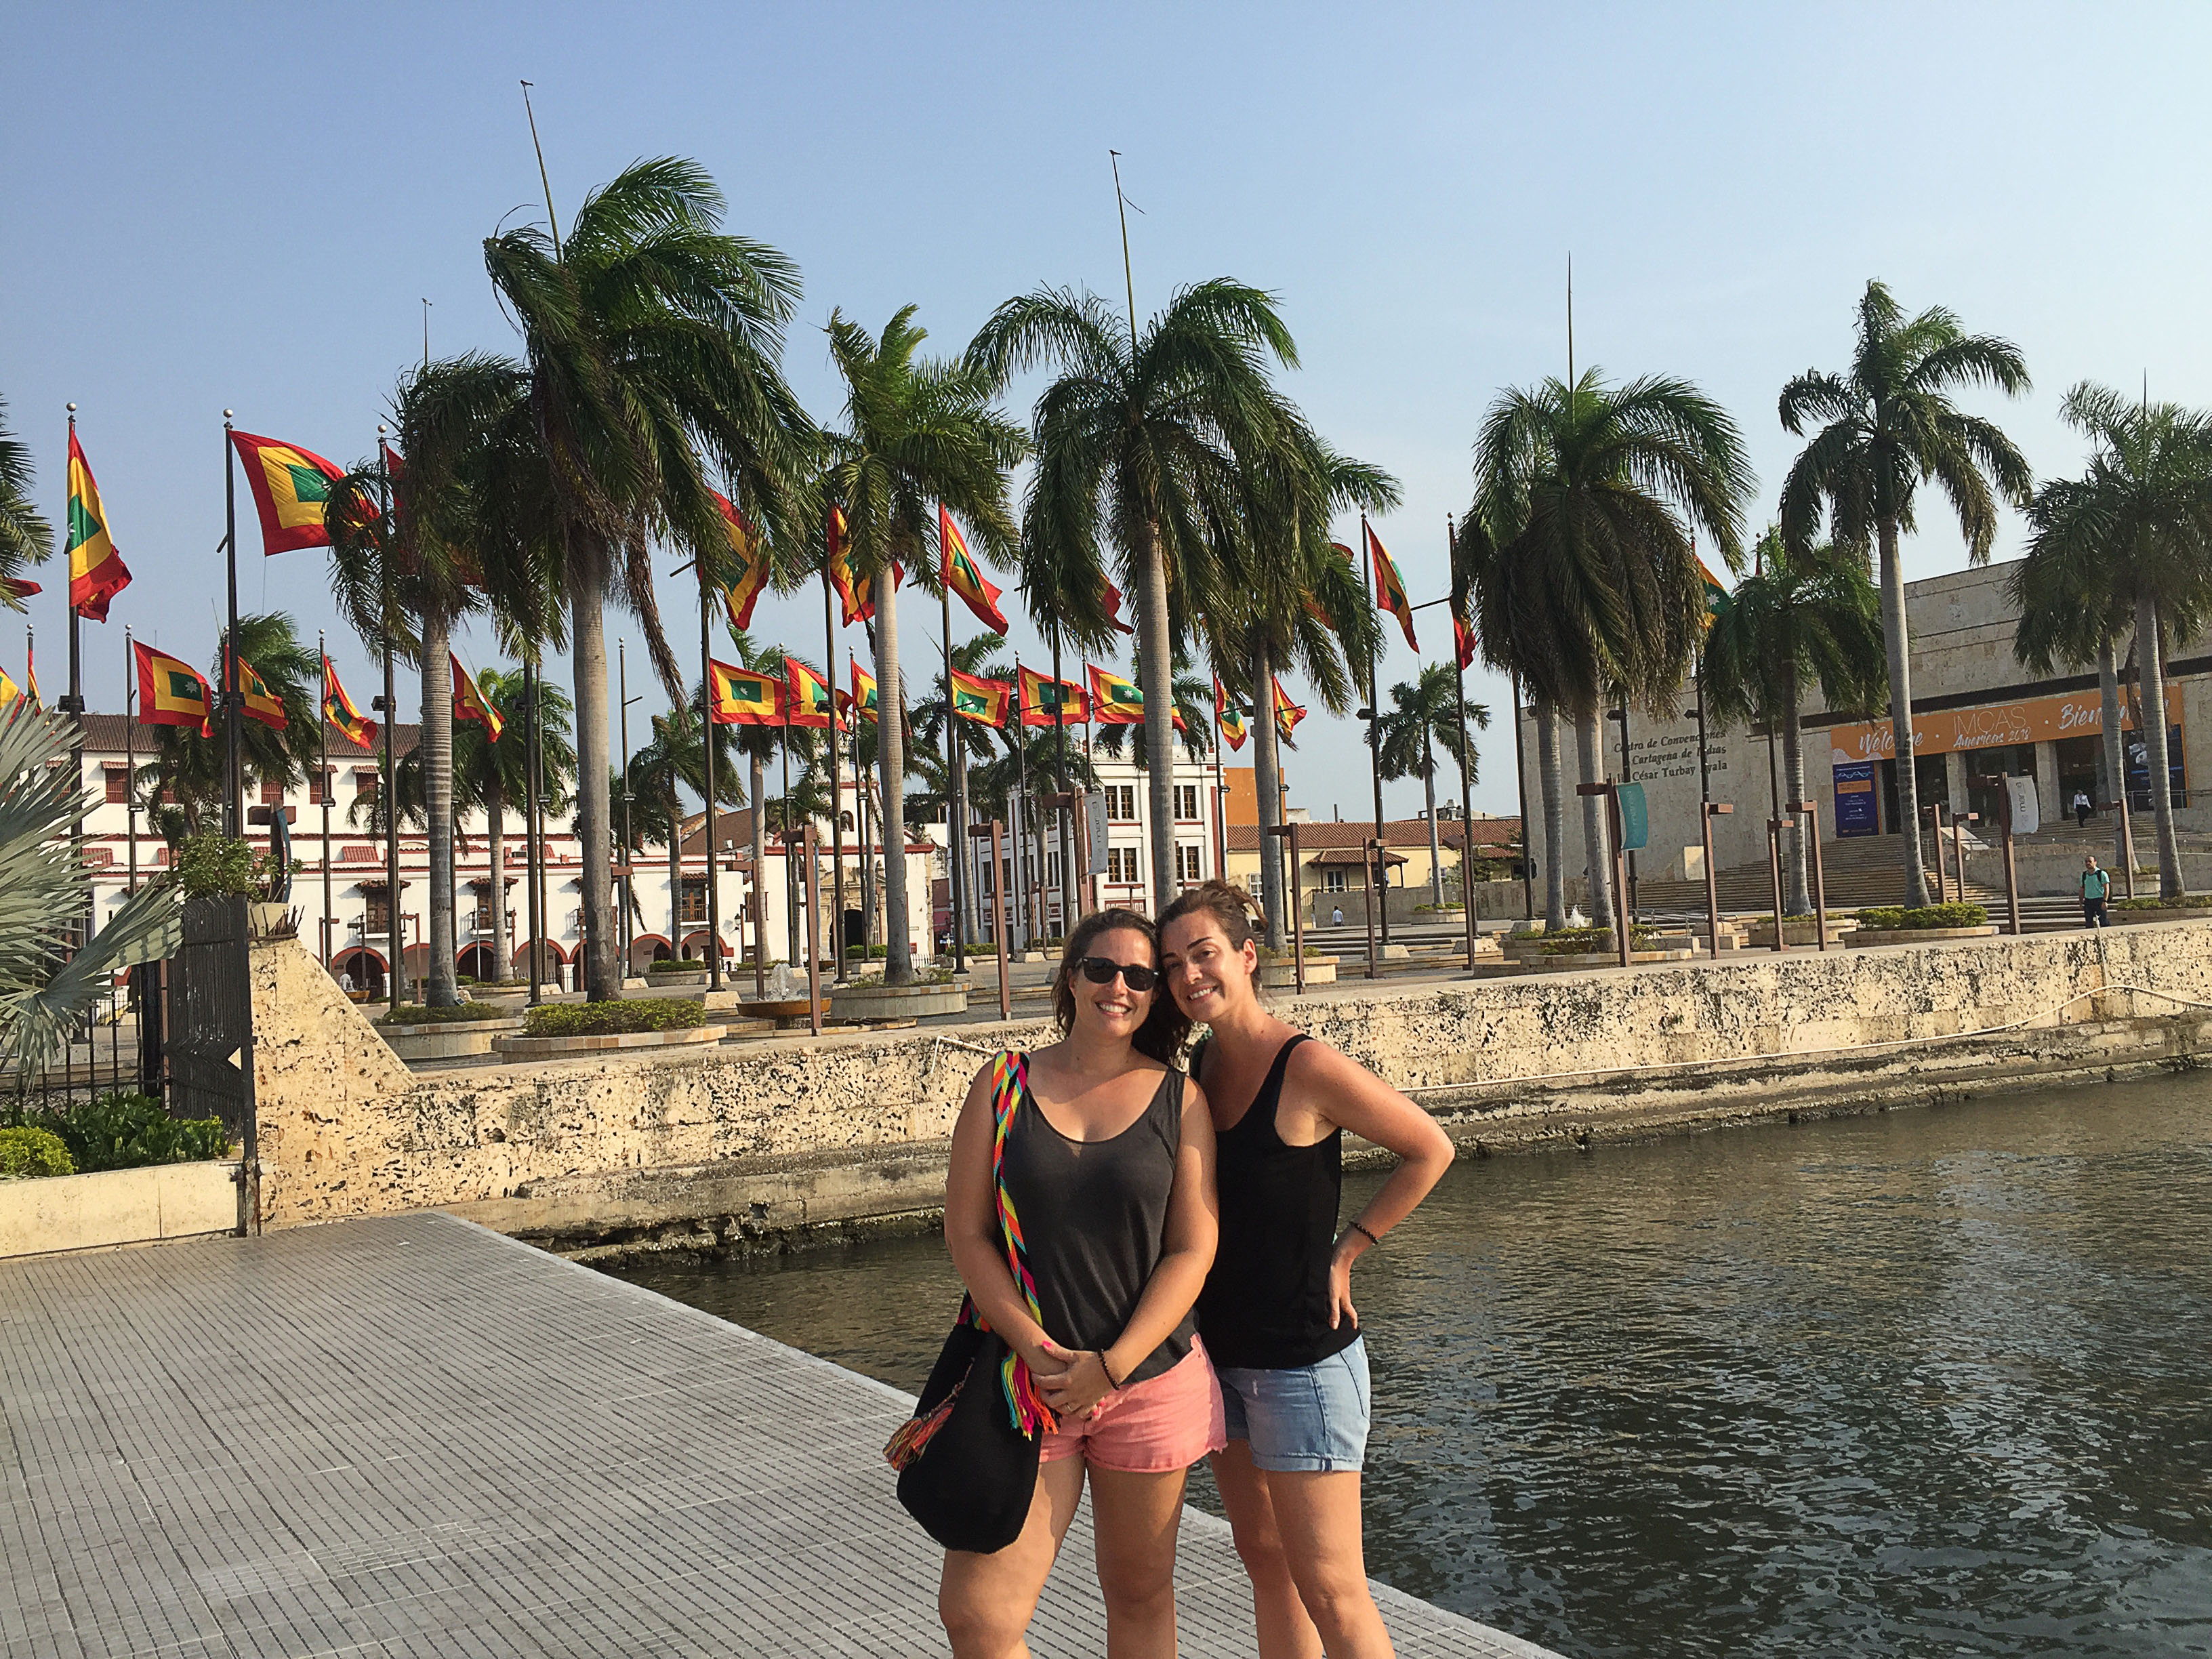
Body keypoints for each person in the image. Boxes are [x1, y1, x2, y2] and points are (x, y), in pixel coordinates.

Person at [1157, 880, 1456, 1659]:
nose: (1190, 975)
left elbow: (1430, 1148)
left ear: (1247, 956)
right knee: (1268, 1568)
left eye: (1204, 955)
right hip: (1221, 1358)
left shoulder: (1306, 1065)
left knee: (1331, 1587)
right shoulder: (1201, 1065)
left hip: (1303, 1364)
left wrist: (1349, 1248)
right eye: (1173, 964)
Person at [937, 908, 1222, 1659]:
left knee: (1139, 1596)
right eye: (1101, 969)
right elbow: (968, 1233)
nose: (1118, 987)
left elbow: (1192, 1250)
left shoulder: (1181, 1100)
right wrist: (1036, 1349)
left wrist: (1113, 1365)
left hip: (1148, 1382)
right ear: (1071, 978)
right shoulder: (1002, 1085)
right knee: (978, 1616)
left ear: (1156, 994)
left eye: (1140, 976)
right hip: (1027, 1383)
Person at [2082, 854, 2111, 928]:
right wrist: (2080, 902)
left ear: (2095, 862)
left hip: (2099, 900)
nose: (2088, 863)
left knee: (2103, 922)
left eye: (2090, 861)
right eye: (2086, 862)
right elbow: (2082, 889)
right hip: (2088, 901)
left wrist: (2105, 901)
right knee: (2089, 923)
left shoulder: (2102, 874)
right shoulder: (2084, 875)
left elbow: (2106, 888)